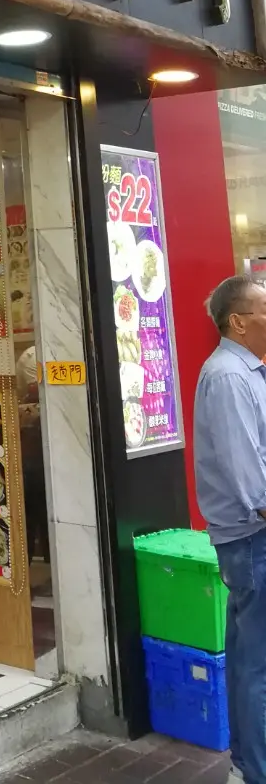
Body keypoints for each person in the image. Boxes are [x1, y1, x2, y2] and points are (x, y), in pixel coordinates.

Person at [194, 274, 266, 784]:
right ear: (239, 322)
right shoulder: (228, 377)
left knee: (249, 659)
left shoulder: (248, 371)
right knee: (256, 666)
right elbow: (252, 484)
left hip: (250, 539)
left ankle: (246, 765)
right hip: (251, 540)